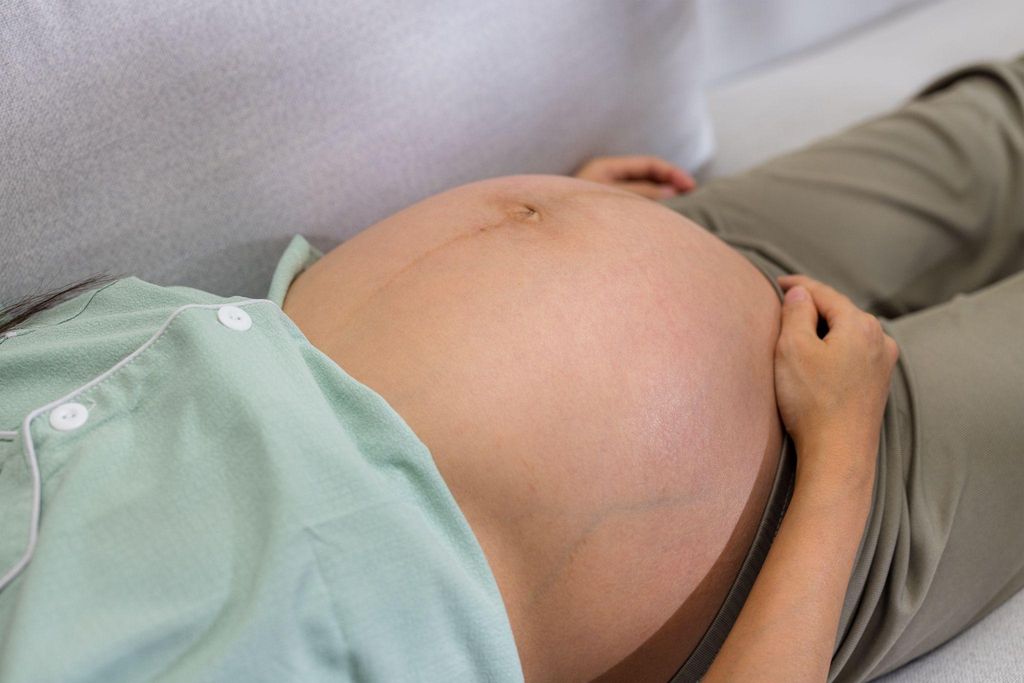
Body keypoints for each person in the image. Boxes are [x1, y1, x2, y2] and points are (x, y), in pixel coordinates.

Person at [1, 54, 1023, 683]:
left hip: (676, 235)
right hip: (791, 509)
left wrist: (535, 236)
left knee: (1005, 118)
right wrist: (839, 458)